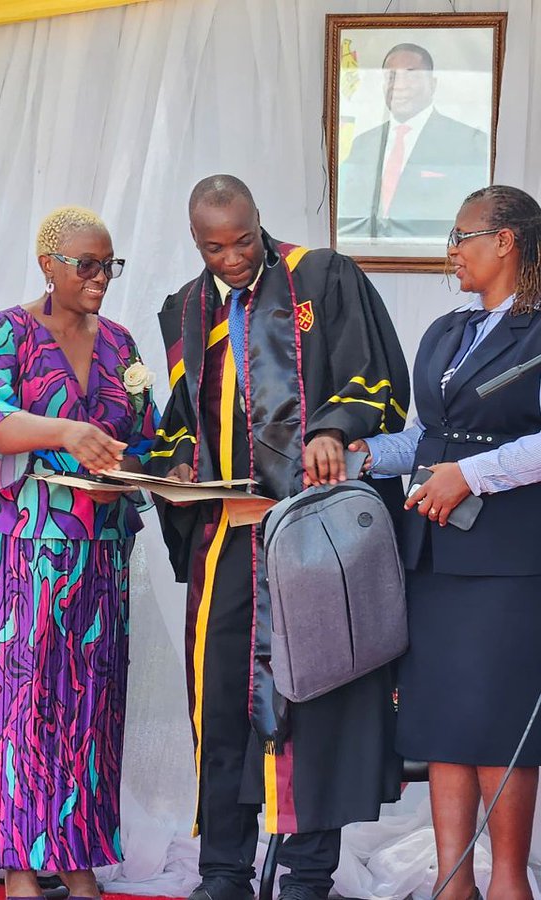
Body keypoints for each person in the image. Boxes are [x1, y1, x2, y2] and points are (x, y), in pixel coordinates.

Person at [148, 175, 409, 900]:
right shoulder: (187, 308)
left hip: (309, 541)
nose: (232, 258)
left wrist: (331, 427)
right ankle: (223, 870)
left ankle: (306, 874)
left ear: (259, 223)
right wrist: (170, 465)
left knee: (312, 700)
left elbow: (376, 378)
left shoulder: (320, 277)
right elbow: (181, 420)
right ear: (194, 241)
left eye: (242, 241)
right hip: (227, 542)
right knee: (222, 700)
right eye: (214, 247)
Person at [0, 207, 156, 900]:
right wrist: (69, 431)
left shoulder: (122, 344)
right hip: (17, 551)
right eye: (87, 265)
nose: (100, 277)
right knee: (16, 707)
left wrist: (133, 475)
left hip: (97, 555)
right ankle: (19, 872)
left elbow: (145, 434)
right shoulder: (5, 333)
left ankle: (79, 863)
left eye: (109, 265)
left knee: (90, 709)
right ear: (50, 263)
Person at [352, 184, 541, 900]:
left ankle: (509, 887)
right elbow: (423, 438)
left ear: (507, 242)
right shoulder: (445, 332)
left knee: (497, 726)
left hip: (509, 561)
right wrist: (361, 453)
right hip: (433, 555)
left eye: (461, 236)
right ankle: (453, 883)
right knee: (444, 726)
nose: (450, 252)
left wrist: (473, 474)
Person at [338, 42, 489, 240]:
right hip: (368, 258)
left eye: (411, 75)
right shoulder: (363, 144)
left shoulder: (467, 142)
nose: (399, 85)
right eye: (391, 76)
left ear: (432, 84)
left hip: (434, 260)